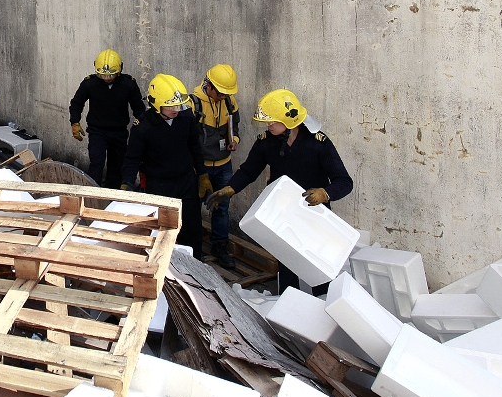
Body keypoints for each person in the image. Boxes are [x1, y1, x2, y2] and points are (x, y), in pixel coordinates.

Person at [206, 89, 353, 291]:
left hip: (314, 214)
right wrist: (230, 188)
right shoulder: (266, 142)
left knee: (318, 269)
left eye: (272, 121)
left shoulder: (319, 143)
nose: (268, 125)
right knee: (286, 265)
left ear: (289, 120)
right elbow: (249, 170)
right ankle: (287, 304)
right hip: (285, 214)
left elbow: (344, 182)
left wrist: (324, 194)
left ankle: (322, 305)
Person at [121, 75, 208, 255]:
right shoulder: (142, 127)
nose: (176, 110)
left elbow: (195, 147)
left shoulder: (186, 118)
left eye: (179, 105)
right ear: (156, 105)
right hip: (159, 186)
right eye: (170, 106)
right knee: (164, 231)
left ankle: (195, 264)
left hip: (186, 182)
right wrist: (126, 184)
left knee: (191, 227)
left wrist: (202, 174)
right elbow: (132, 159)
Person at [68, 49, 145, 189]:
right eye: (102, 75)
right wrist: (75, 121)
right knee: (96, 163)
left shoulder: (128, 85)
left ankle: (113, 193)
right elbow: (76, 103)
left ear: (119, 70)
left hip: (119, 132)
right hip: (97, 131)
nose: (106, 78)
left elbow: (139, 108)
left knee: (117, 166)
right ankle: (93, 192)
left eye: (111, 75)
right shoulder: (89, 84)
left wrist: (141, 126)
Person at [191, 64, 242, 268]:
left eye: (226, 94)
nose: (223, 97)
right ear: (208, 86)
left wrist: (235, 139)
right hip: (199, 167)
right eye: (220, 93)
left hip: (223, 165)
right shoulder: (194, 104)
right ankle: (193, 249)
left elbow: (235, 124)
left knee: (222, 207)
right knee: (193, 207)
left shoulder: (229, 101)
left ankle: (219, 245)